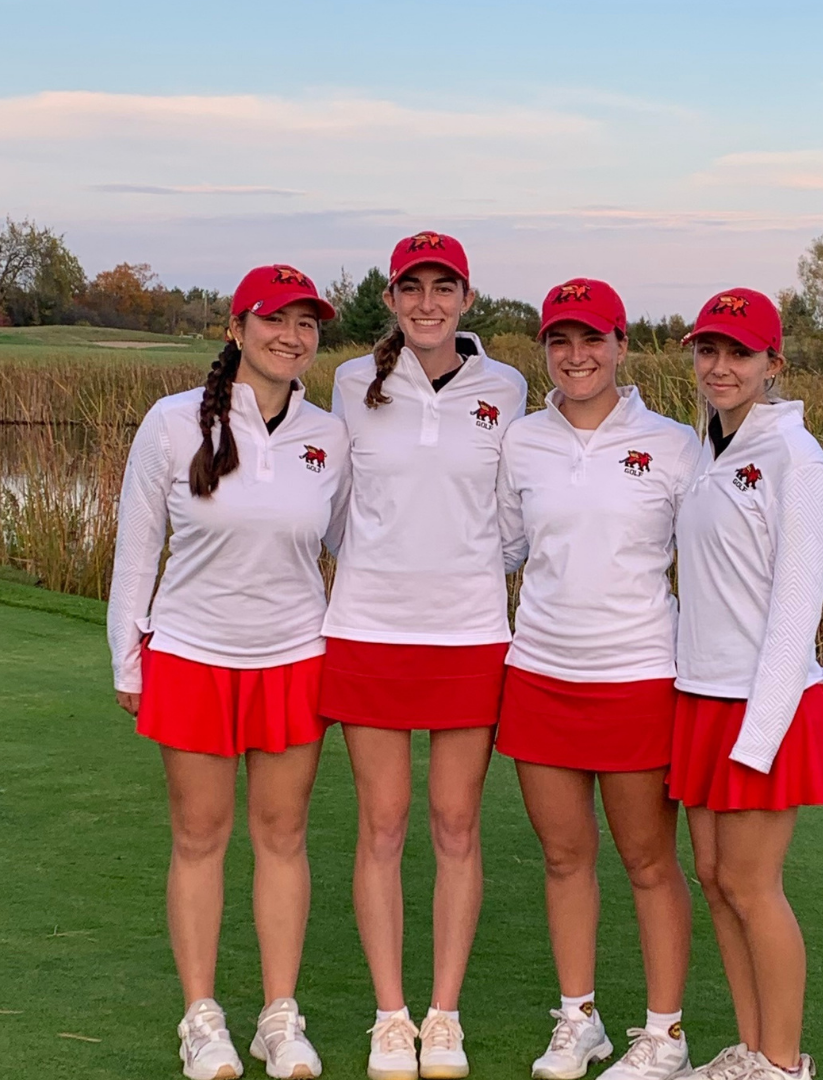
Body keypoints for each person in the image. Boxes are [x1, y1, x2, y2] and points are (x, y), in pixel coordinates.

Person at [107, 264, 348, 1080]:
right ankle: (201, 1017)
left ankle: (280, 1017)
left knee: (283, 838)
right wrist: (125, 655)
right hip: (192, 656)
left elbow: (352, 548)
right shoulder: (172, 424)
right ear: (236, 329)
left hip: (293, 657)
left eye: (307, 324)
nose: (292, 337)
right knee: (199, 839)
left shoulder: (330, 435)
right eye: (276, 320)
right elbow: (137, 547)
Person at [318, 231, 527, 1080]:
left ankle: (444, 1016)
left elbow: (513, 519)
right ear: (393, 298)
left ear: (467, 298)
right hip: (369, 629)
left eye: (445, 288)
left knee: (453, 824)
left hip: (472, 634)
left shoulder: (507, 386)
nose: (428, 304)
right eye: (413, 288)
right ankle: (390, 1016)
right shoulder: (348, 384)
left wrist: (464, 567)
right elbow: (333, 506)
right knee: (382, 823)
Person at [495, 278, 700, 1080]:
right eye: (559, 341)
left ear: (622, 346)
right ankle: (578, 1018)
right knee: (563, 856)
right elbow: (508, 550)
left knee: (649, 860)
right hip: (541, 670)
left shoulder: (676, 443)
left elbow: (708, 560)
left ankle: (666, 1033)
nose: (575, 356)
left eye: (592, 340)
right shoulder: (522, 441)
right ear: (545, 349)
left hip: (640, 672)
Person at [666, 288, 823, 1080]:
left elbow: (794, 611)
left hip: (764, 704)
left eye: (739, 353)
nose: (720, 367)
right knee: (715, 880)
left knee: (751, 883)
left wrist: (759, 734)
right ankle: (748, 1050)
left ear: (773, 363)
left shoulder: (797, 460)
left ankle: (782, 1064)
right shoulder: (706, 449)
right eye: (708, 351)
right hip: (702, 694)